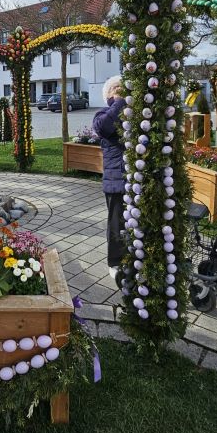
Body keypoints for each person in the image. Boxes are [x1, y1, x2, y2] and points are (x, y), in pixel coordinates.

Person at [92, 75, 126, 281]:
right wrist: (119, 102)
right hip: (116, 179)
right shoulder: (103, 113)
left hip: (137, 179)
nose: (120, 88)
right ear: (109, 94)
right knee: (116, 223)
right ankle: (115, 262)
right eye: (116, 87)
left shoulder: (133, 113)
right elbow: (105, 126)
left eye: (122, 86)